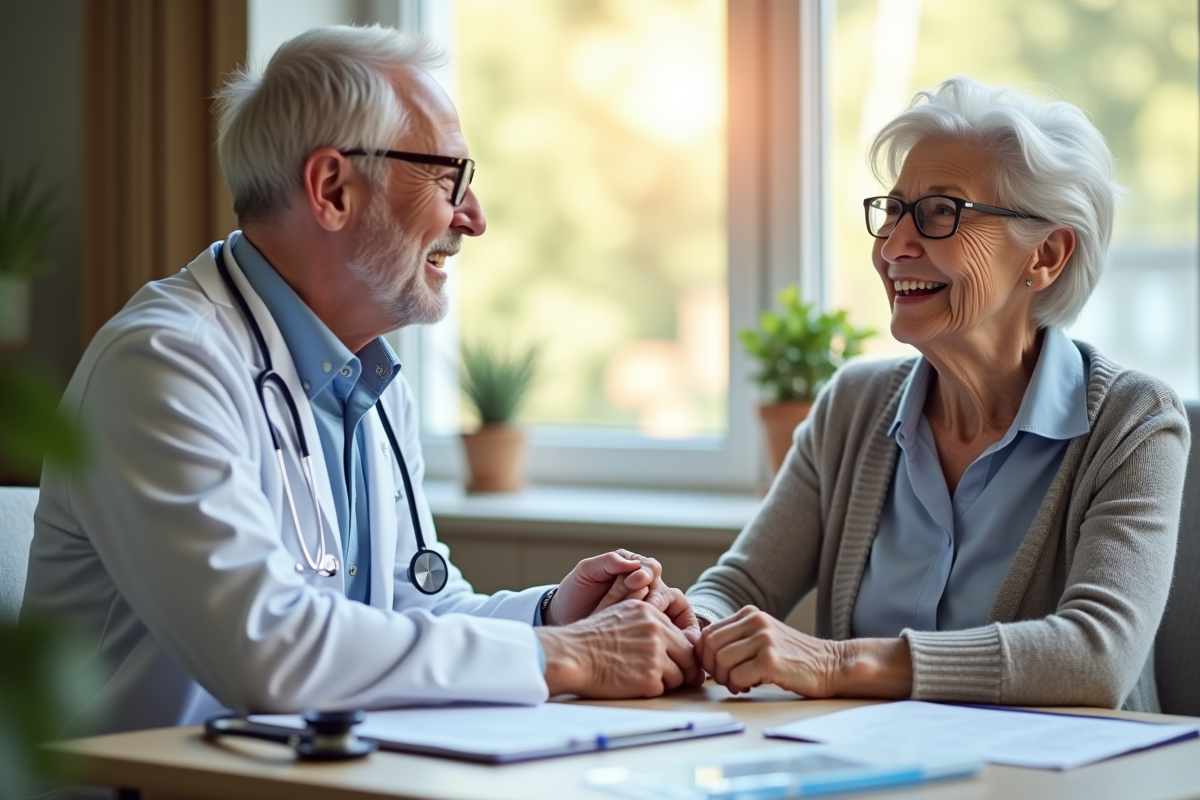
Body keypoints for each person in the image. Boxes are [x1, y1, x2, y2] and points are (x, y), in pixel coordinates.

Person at [21, 26, 700, 738]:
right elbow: (269, 651)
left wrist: (555, 614)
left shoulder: (366, 374)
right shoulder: (163, 365)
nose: (474, 218)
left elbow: (407, 619)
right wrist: (561, 656)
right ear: (333, 188)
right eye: (450, 178)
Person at [687, 77, 1189, 711]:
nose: (894, 246)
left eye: (941, 212)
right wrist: (685, 622)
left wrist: (835, 661)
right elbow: (739, 585)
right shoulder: (853, 406)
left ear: (1047, 255)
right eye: (894, 210)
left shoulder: (1133, 423)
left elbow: (1094, 656)